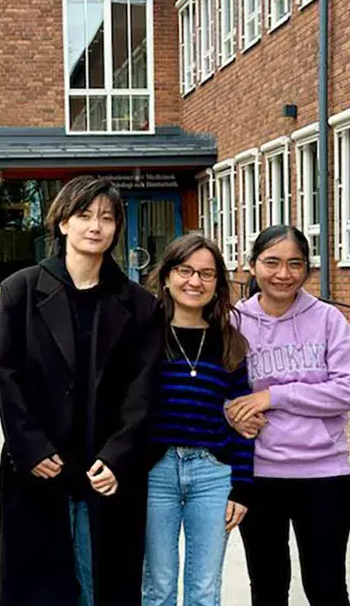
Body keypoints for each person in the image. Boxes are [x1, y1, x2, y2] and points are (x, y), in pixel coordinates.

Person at [0, 176, 162, 606]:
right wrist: (30, 447)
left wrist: (118, 456)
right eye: (84, 215)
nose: (95, 226)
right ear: (63, 222)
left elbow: (141, 392)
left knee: (103, 585)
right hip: (40, 464)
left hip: (105, 468)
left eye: (106, 218)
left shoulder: (140, 304)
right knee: (38, 587)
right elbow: (8, 376)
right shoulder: (21, 291)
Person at [226, 224, 350, 606]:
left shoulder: (328, 319)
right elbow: (216, 390)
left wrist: (274, 395)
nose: (283, 274)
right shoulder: (234, 322)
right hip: (259, 475)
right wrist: (231, 412)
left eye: (294, 263)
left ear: (307, 269)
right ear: (252, 266)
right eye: (271, 262)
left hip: (324, 475)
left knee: (326, 587)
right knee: (268, 587)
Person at [141, 234, 260, 606]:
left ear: (218, 285)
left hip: (213, 474)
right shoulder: (145, 336)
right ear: (166, 277)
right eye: (185, 270)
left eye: (207, 274)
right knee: (157, 586)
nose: (195, 281)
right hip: (154, 471)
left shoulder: (230, 342)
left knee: (205, 589)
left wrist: (242, 486)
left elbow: (245, 421)